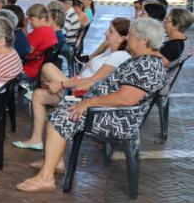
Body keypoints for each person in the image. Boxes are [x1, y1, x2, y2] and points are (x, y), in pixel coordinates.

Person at [17, 18, 167, 192]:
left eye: (131, 35)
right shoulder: (142, 60)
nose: (127, 38)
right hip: (109, 111)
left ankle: (46, 178)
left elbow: (126, 98)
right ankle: (55, 163)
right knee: (62, 110)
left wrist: (88, 102)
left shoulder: (147, 65)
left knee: (63, 117)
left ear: (143, 40)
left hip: (117, 119)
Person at [13, 18, 131, 151]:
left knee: (48, 68)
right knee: (38, 94)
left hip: (82, 93)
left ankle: (56, 99)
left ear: (122, 38)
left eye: (110, 31)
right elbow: (90, 65)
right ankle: (36, 139)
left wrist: (62, 84)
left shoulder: (119, 56)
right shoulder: (110, 51)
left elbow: (94, 80)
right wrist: (101, 50)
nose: (106, 33)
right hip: (76, 87)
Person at [22, 4, 57, 82]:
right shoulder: (51, 30)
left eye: (32, 19)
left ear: (42, 18)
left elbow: (24, 51)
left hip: (29, 70)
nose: (29, 22)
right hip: (39, 68)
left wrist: (23, 28)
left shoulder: (39, 32)